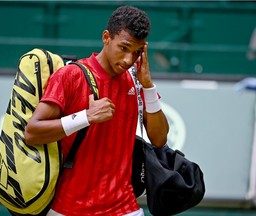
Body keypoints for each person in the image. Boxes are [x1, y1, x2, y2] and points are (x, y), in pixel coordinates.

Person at [24, 5, 169, 216]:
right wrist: (86, 117)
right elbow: (32, 132)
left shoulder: (137, 82)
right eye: (124, 48)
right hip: (69, 209)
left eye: (137, 52)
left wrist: (148, 86)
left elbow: (159, 139)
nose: (129, 60)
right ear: (106, 37)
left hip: (125, 208)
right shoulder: (70, 75)